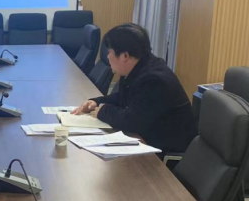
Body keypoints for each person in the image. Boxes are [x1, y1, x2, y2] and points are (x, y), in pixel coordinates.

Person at [72, 23, 198, 153]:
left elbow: (132, 121)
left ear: (125, 56)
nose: (107, 56)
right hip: (149, 138)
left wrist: (102, 111)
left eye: (109, 52)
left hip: (167, 153)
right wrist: (97, 102)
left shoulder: (154, 80)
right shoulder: (138, 67)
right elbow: (124, 98)